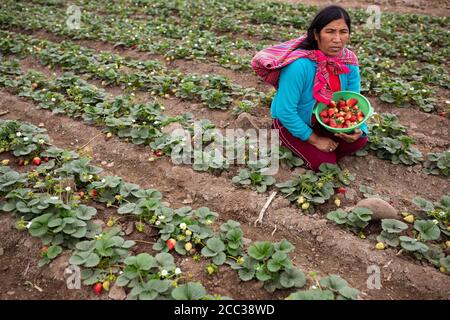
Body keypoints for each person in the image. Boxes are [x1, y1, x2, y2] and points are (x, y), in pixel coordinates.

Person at [269, 5, 368, 171]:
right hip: (290, 122)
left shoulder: (349, 61)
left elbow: (354, 104)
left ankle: (322, 151)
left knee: (359, 140)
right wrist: (315, 140)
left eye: (343, 32)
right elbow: (285, 111)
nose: (337, 39)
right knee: (326, 165)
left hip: (325, 122)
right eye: (330, 31)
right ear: (316, 34)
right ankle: (304, 147)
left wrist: (359, 129)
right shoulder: (300, 65)